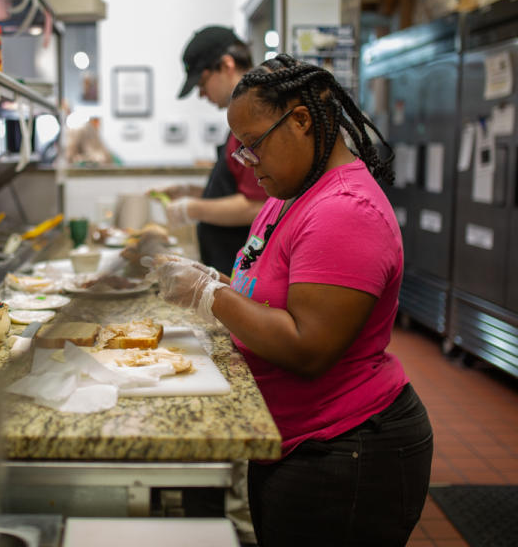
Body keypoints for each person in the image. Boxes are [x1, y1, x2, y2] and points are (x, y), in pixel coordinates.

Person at [143, 54, 433, 546]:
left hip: (346, 448)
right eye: (241, 152)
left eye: (252, 147)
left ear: (300, 120)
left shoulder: (345, 210)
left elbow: (307, 346)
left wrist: (210, 295)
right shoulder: (290, 193)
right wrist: (208, 277)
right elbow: (263, 289)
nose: (247, 163)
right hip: (295, 438)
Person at [152, 26, 268, 276]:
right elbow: (236, 187)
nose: (202, 94)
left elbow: (258, 204)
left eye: (202, 82)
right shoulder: (240, 117)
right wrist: (189, 191)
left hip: (243, 270)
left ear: (226, 65)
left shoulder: (255, 118)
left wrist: (191, 208)